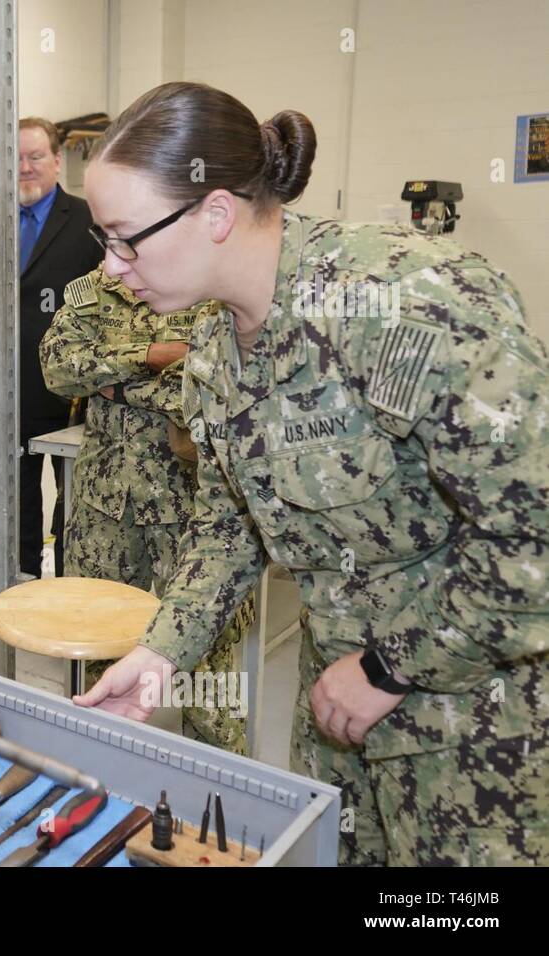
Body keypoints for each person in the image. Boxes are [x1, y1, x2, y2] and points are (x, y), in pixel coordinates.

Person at [75, 81, 549, 865]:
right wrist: (162, 653)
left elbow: (533, 537)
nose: (112, 268)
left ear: (216, 214)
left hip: (473, 722)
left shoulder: (407, 303)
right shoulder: (216, 344)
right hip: (338, 711)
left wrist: (394, 666)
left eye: (125, 238)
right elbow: (229, 525)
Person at [40, 269, 252, 753]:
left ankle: (219, 785)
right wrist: (150, 358)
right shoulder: (90, 292)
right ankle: (106, 771)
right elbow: (57, 370)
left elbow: (216, 384)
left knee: (208, 657)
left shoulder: (209, 290)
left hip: (192, 509)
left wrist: (112, 384)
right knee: (100, 642)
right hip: (105, 504)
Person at [0, 117, 103, 576]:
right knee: (14, 493)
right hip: (1, 392)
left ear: (57, 161)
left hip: (69, 394)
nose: (24, 168)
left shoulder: (88, 220)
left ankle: (65, 584)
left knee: (71, 496)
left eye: (35, 157)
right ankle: (20, 580)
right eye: (14, 158)